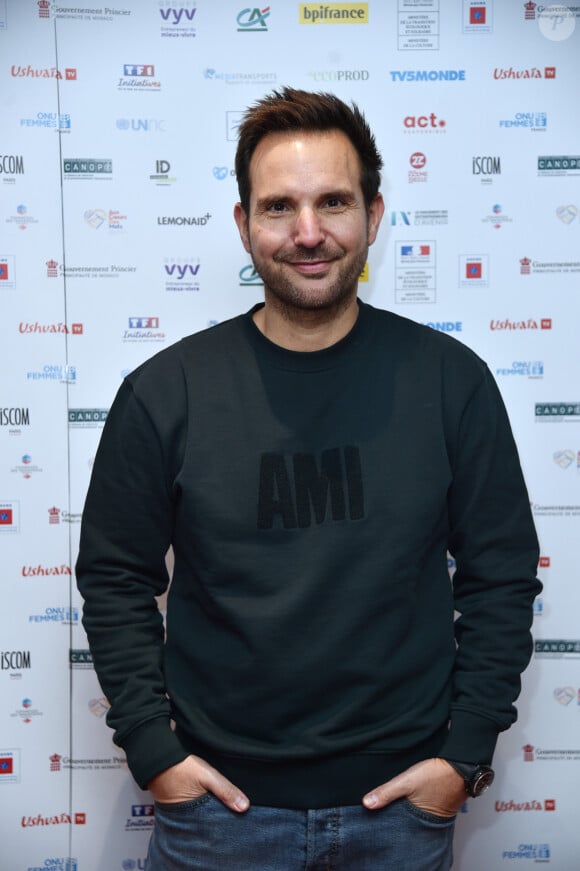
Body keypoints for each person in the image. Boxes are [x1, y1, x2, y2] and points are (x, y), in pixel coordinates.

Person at [76, 88, 541, 870]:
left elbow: (501, 575)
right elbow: (114, 576)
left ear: (374, 214)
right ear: (242, 223)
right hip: (216, 818)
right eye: (278, 206)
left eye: (333, 201)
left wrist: (462, 757)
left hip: (401, 812)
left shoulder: (450, 382)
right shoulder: (166, 391)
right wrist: (155, 754)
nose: (308, 232)